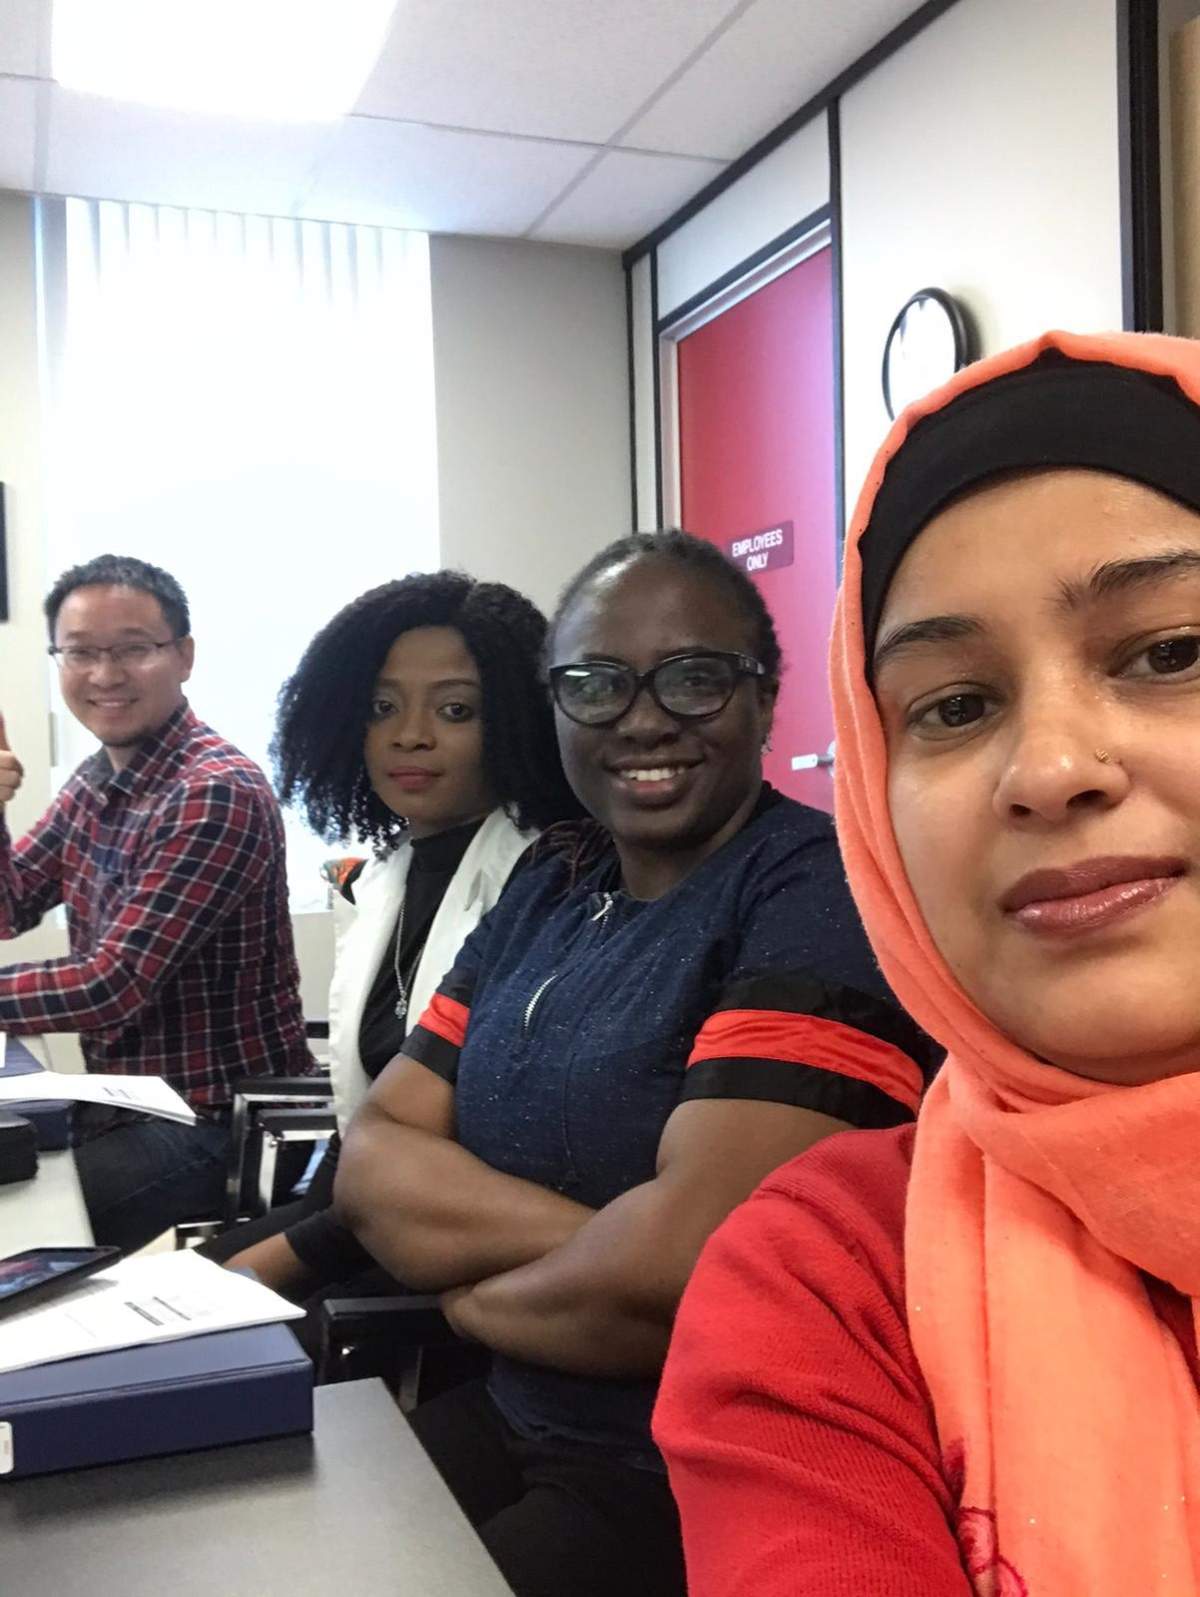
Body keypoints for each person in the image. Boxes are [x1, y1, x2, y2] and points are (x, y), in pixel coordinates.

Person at [654, 330, 1200, 1597]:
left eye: (1170, 650)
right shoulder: (829, 1282)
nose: (1053, 769)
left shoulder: (771, 897)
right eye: (954, 705)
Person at [334, 531, 937, 1597]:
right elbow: (375, 1157)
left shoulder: (816, 892)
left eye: (695, 679)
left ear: (765, 696)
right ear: (556, 704)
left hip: (685, 1466)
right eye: (597, 684)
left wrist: (470, 1289)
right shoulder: (547, 884)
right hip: (512, 1408)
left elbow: (696, 1272)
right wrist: (609, 1249)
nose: (644, 718)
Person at [202, 571, 579, 1300]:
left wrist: (251, 1272)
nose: (411, 734)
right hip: (355, 1224)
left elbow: (462, 1157)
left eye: (456, 709)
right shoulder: (386, 879)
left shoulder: (548, 880)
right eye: (381, 707)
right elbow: (357, 1140)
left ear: (515, 721)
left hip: (453, 1266)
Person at [0, 553, 310, 1253]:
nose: (105, 675)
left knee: (23, 1219)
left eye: (133, 649)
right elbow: (10, 906)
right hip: (124, 1108)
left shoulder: (211, 789)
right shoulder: (98, 777)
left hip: (211, 1126)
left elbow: (111, 985)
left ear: (184, 656)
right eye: (81, 652)